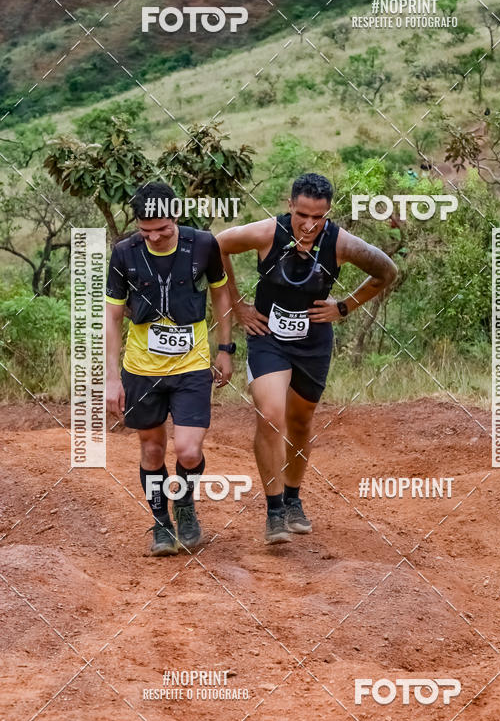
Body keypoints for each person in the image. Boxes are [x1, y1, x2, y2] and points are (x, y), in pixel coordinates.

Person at [217, 172, 397, 544]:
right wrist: (238, 306)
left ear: (328, 213)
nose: (310, 224)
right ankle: (274, 510)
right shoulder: (267, 233)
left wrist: (344, 307)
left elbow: (386, 271)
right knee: (270, 414)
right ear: (289, 206)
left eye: (319, 217)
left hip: (313, 341)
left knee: (300, 422)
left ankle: (293, 498)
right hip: (267, 336)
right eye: (302, 215)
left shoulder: (340, 242)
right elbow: (217, 246)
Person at [105, 181, 235, 556]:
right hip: (142, 367)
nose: (155, 237)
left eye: (163, 229)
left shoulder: (203, 244)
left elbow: (220, 291)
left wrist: (225, 348)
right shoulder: (124, 253)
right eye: (146, 231)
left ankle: (185, 504)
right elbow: (112, 317)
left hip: (192, 363)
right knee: (152, 450)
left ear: (175, 216)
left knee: (189, 451)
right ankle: (161, 523)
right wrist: (112, 377)